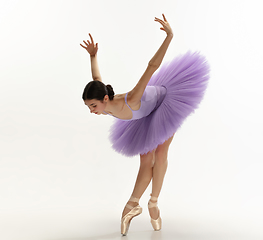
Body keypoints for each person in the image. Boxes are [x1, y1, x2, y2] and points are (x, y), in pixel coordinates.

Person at [80, 14, 209, 236]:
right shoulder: (104, 98)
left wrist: (169, 37)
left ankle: (153, 202)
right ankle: (133, 205)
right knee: (144, 160)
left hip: (164, 103)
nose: (92, 111)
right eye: (89, 107)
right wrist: (93, 56)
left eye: (93, 106)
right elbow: (96, 77)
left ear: (105, 100)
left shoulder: (131, 99)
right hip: (144, 116)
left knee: (160, 154)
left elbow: (152, 66)